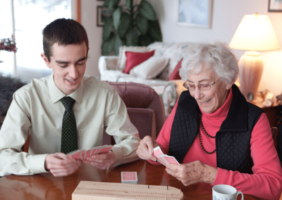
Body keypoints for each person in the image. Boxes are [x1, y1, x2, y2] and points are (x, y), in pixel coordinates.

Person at [137, 42, 282, 199]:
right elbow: (162, 149)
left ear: (228, 80)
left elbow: (273, 185)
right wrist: (151, 150)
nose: (197, 95)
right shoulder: (185, 102)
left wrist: (209, 175)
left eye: (205, 85)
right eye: (191, 85)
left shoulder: (253, 119)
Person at [0, 18, 140, 177]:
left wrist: (115, 155)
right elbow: (2, 156)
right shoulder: (26, 97)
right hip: (42, 186)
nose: (74, 74)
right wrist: (44, 162)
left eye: (80, 62)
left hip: (90, 184)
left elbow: (134, 142)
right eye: (63, 65)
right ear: (46, 60)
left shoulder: (105, 94)